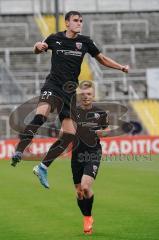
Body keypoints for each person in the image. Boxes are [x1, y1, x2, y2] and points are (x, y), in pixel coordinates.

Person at [11, 10, 129, 189]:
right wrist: (37, 46)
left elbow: (102, 59)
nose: (79, 23)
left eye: (81, 20)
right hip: (53, 86)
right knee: (41, 115)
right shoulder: (54, 38)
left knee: (69, 135)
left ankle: (42, 167)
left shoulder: (85, 42)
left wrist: (121, 67)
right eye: (75, 20)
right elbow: (37, 49)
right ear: (67, 23)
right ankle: (20, 150)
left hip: (70, 92)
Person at [71, 81, 109, 235]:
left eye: (88, 94)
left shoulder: (101, 113)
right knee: (79, 192)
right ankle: (87, 216)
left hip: (93, 152)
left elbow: (106, 130)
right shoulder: (72, 112)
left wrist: (102, 133)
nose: (85, 97)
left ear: (93, 96)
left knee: (86, 187)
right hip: (76, 154)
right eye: (83, 94)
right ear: (79, 96)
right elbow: (64, 130)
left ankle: (88, 218)